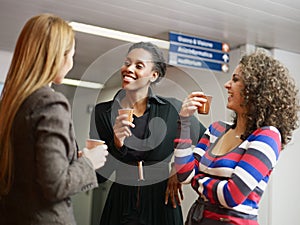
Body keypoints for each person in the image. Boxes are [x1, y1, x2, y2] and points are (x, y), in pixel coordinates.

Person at [0, 14, 108, 225]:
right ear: (58, 56)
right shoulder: (50, 103)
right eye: (71, 54)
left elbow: (30, 168)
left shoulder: (11, 104)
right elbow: (55, 185)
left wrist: (71, 160)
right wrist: (89, 162)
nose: (71, 62)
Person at [174, 49, 300, 225]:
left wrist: (197, 179)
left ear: (255, 89)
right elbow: (184, 174)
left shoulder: (267, 137)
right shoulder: (216, 129)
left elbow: (231, 195)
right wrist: (184, 122)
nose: (227, 85)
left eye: (235, 80)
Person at [89, 42, 206, 225]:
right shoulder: (102, 112)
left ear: (154, 75)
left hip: (162, 201)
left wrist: (178, 167)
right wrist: (116, 143)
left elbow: (208, 144)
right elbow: (100, 176)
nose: (129, 69)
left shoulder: (173, 109)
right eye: (127, 63)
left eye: (138, 65)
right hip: (121, 201)